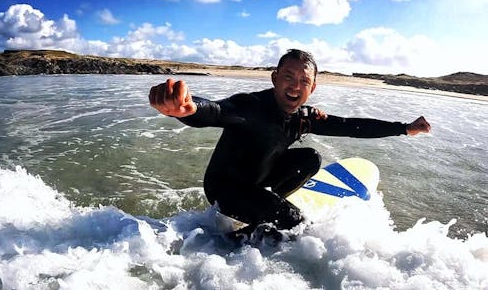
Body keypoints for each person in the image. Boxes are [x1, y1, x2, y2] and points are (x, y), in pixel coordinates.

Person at [148, 49, 431, 239]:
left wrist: (404, 129)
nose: (295, 86)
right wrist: (186, 109)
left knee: (311, 158)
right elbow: (217, 111)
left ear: (313, 87)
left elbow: (351, 126)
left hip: (258, 181)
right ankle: (232, 242)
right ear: (275, 79)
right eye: (288, 77)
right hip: (226, 189)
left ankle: (267, 207)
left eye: (304, 81)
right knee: (295, 224)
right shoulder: (252, 106)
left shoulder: (304, 118)